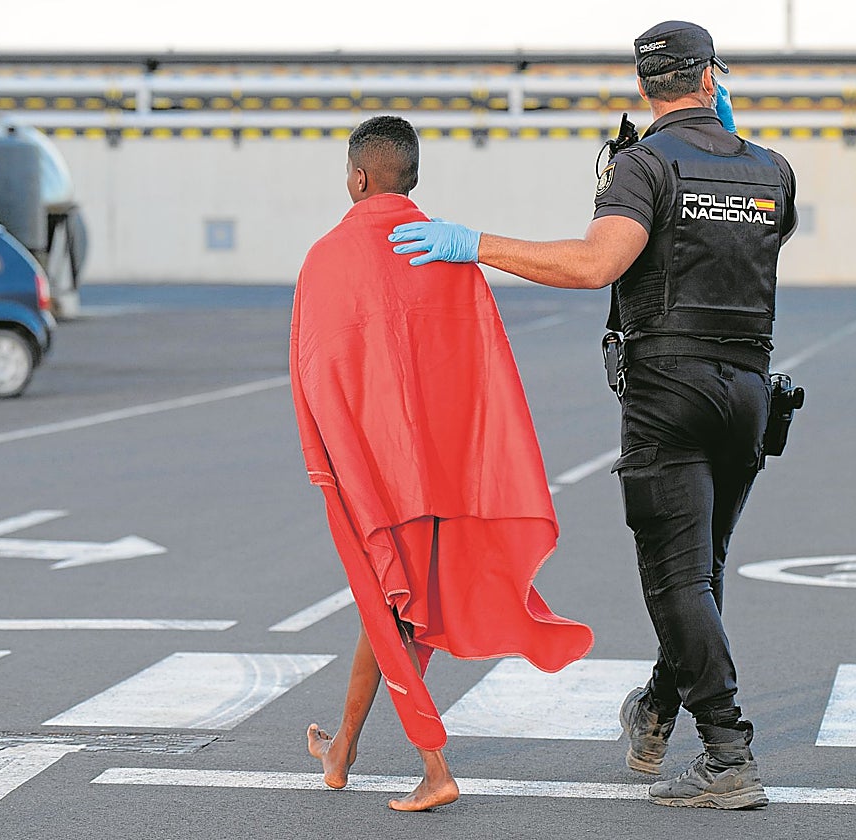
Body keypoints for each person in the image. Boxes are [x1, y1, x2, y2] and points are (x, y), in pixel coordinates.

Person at [387, 22, 798, 811]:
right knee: (701, 577)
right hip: (748, 390)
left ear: (647, 89)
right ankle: (657, 707)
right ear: (712, 78)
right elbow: (754, 234)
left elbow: (595, 264)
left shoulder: (643, 166)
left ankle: (727, 752)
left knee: (679, 581)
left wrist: (474, 243)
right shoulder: (773, 169)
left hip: (669, 391)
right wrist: (728, 154)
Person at [290, 114, 594, 811]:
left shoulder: (327, 257)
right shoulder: (446, 251)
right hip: (446, 470)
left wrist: (330, 465)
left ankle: (436, 770)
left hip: (370, 471)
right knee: (398, 603)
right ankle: (341, 749)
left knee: (386, 597)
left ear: (358, 177)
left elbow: (314, 371)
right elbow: (480, 369)